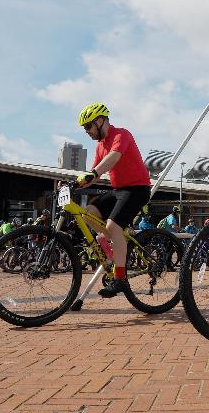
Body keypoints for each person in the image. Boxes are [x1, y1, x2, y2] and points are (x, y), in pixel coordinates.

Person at [76, 102, 151, 298]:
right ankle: (115, 242)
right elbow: (96, 173)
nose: (87, 132)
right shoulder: (100, 146)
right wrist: (75, 183)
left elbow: (113, 158)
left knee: (113, 226)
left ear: (100, 121)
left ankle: (120, 279)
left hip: (137, 189)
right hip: (119, 190)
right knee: (88, 213)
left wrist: (92, 173)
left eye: (88, 127)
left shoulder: (121, 134)